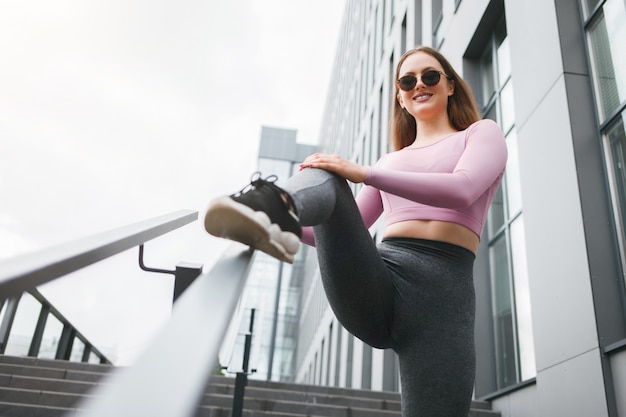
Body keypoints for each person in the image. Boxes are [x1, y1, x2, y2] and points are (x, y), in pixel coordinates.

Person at [204, 46, 507, 417]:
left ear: (450, 86)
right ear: (400, 96)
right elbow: (328, 233)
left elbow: (463, 190)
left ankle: (275, 208)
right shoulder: (388, 162)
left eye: (430, 76)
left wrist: (364, 174)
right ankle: (268, 207)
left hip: (442, 304)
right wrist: (298, 221)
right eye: (407, 81)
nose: (419, 86)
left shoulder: (480, 134)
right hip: (377, 281)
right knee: (327, 173)